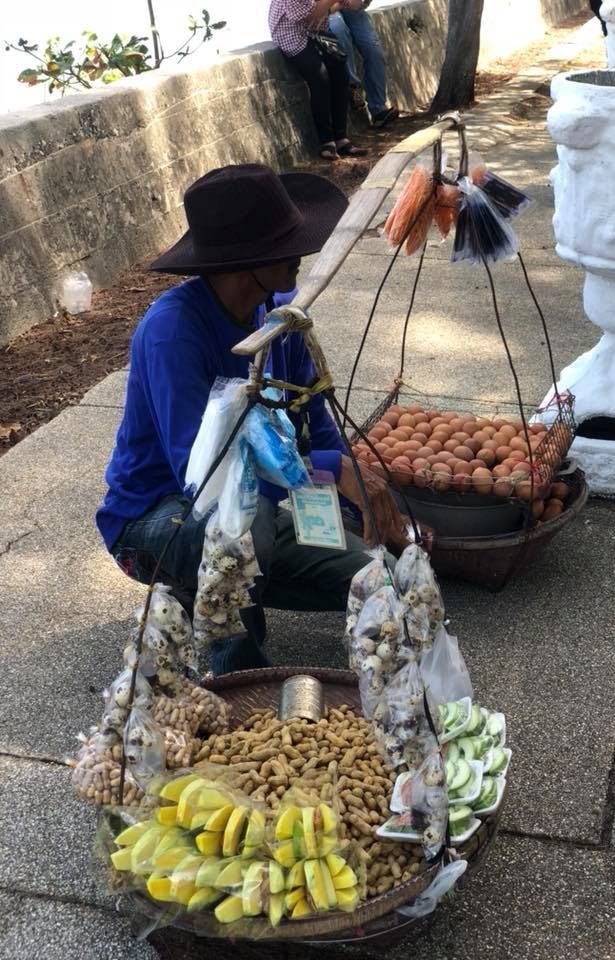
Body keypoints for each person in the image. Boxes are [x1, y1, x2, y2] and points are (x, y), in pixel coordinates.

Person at [97, 165, 407, 675]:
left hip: (250, 502)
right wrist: (330, 469)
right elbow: (204, 477)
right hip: (158, 514)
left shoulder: (280, 314)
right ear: (245, 262)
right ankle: (239, 675)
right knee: (245, 526)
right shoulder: (172, 331)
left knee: (377, 575)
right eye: (286, 247)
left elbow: (315, 422)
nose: (301, 255)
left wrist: (360, 496)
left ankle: (215, 590)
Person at [269, 0, 368, 161]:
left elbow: (353, 5)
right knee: (320, 76)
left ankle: (341, 139)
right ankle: (326, 142)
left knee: (341, 73)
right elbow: (309, 15)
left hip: (314, 32)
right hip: (290, 34)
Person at [328, 1, 399, 127]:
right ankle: (352, 88)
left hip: (349, 7)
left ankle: (378, 110)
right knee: (338, 29)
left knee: (373, 50)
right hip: (325, 8)